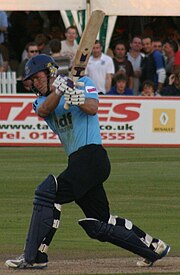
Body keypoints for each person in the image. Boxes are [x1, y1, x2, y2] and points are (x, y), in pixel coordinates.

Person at [5, 54, 170, 270]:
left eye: (36, 78)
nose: (33, 84)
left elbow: (93, 108)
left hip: (92, 156)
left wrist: (78, 99)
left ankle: (34, 256)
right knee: (100, 223)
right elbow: (45, 110)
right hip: (79, 162)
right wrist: (61, 90)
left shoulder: (83, 83)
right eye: (31, 80)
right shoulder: (41, 101)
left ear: (50, 72)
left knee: (47, 193)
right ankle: (153, 247)